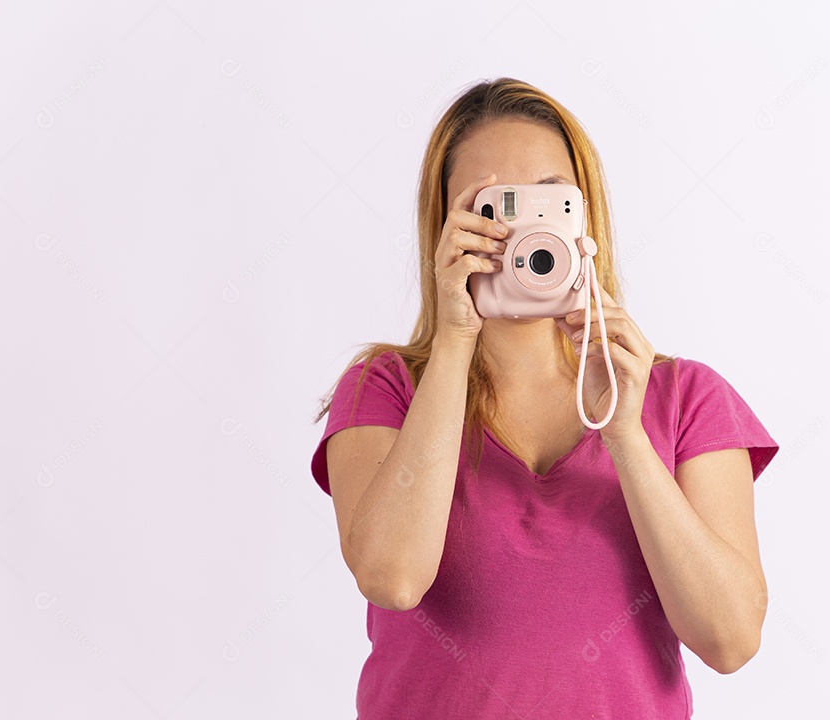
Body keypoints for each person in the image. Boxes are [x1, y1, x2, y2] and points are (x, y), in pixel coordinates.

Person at [310, 77, 780, 719]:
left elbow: (730, 639)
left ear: (585, 221)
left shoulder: (684, 397)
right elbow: (392, 577)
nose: (523, 234)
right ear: (444, 228)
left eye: (548, 203)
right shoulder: (386, 389)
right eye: (491, 209)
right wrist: (453, 342)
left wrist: (625, 434)